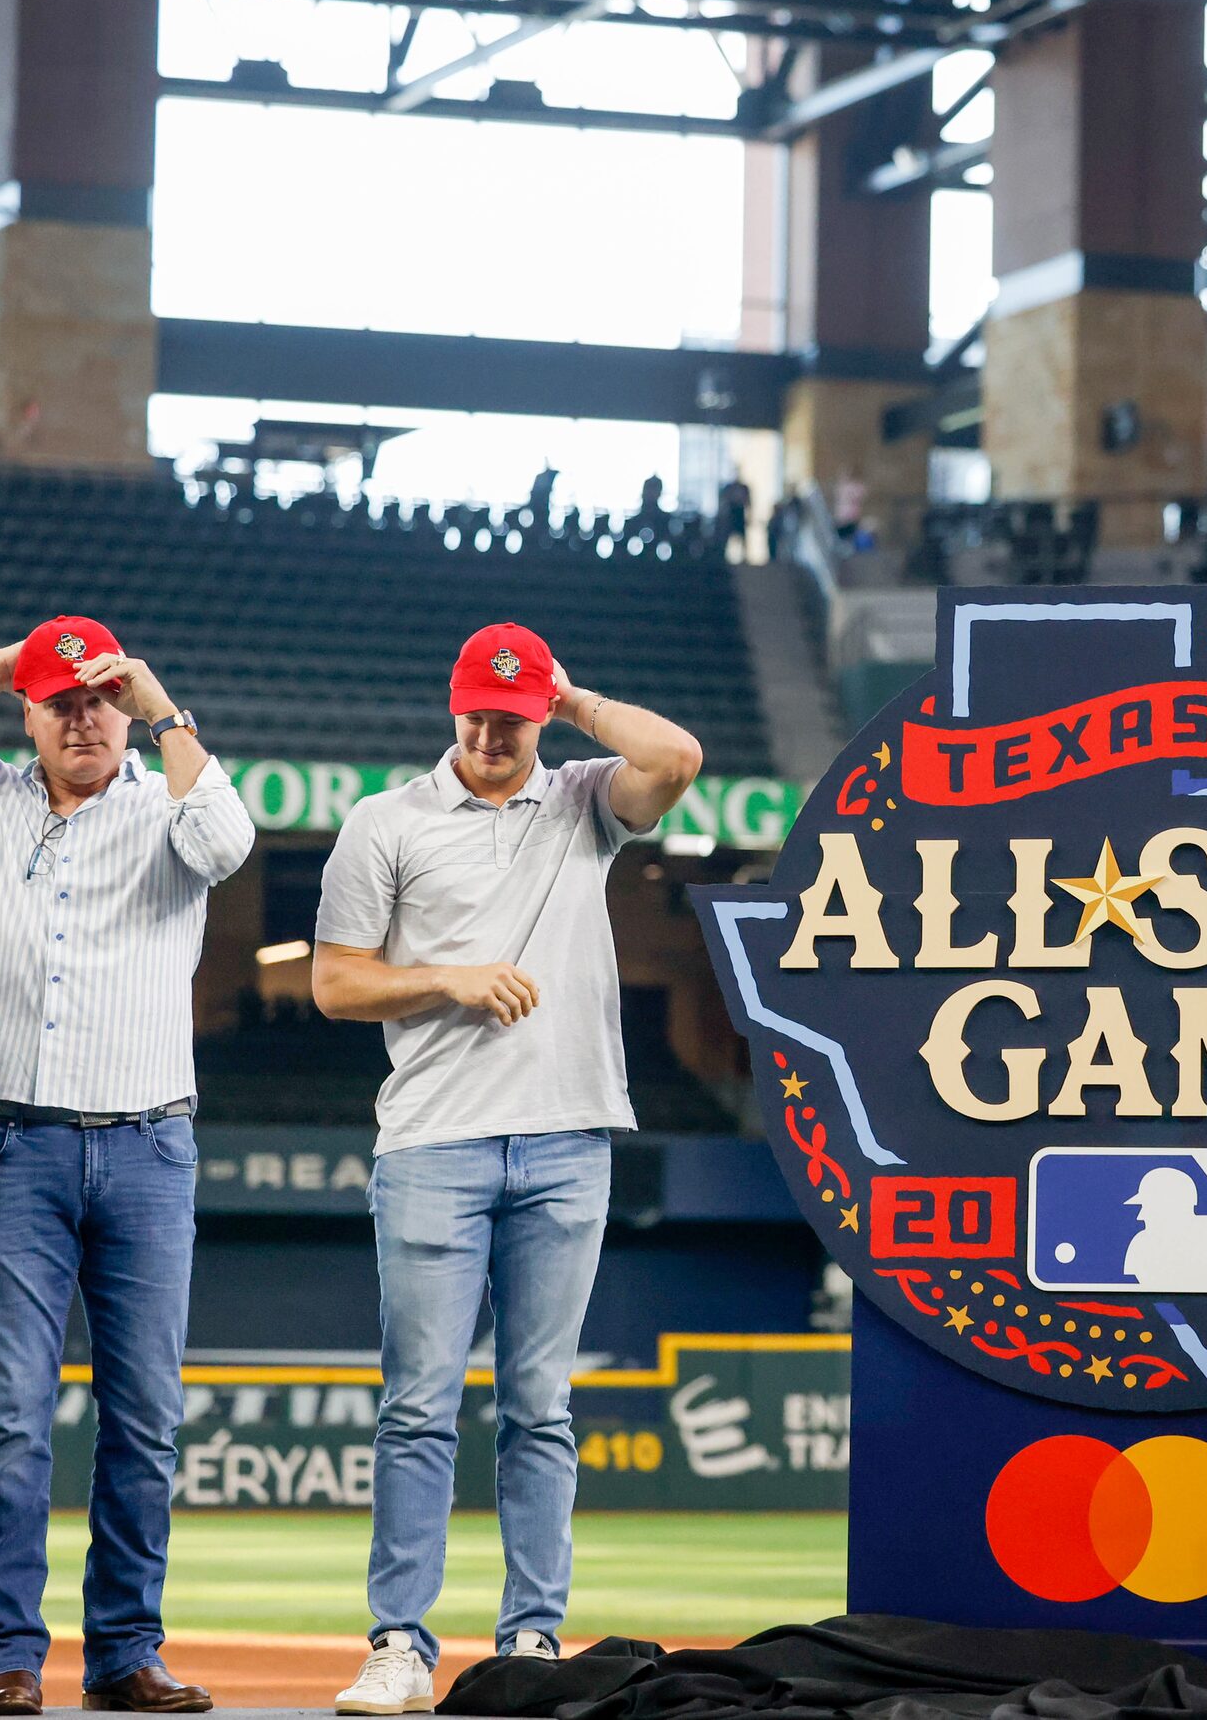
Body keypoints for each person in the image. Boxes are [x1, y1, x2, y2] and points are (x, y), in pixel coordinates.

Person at [0, 619, 255, 1718]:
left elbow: (226, 842)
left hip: (147, 1143)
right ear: (26, 715)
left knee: (143, 1415)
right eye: (58, 701)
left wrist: (157, 698)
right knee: (14, 1412)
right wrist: (12, 659)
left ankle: (125, 1654)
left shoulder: (170, 803)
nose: (81, 716)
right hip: (11, 1143)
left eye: (96, 699)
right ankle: (6, 1657)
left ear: (125, 708)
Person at [310, 623, 700, 1713]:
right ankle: (398, 1644)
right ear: (451, 708)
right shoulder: (384, 821)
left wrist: (573, 702)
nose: (491, 731)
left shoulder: (582, 799)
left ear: (538, 713)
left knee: (540, 1406)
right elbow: (335, 986)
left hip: (566, 1136)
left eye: (513, 714)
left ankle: (532, 1638)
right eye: (477, 711)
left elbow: (675, 760)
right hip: (432, 1139)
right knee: (417, 1407)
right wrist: (449, 979)